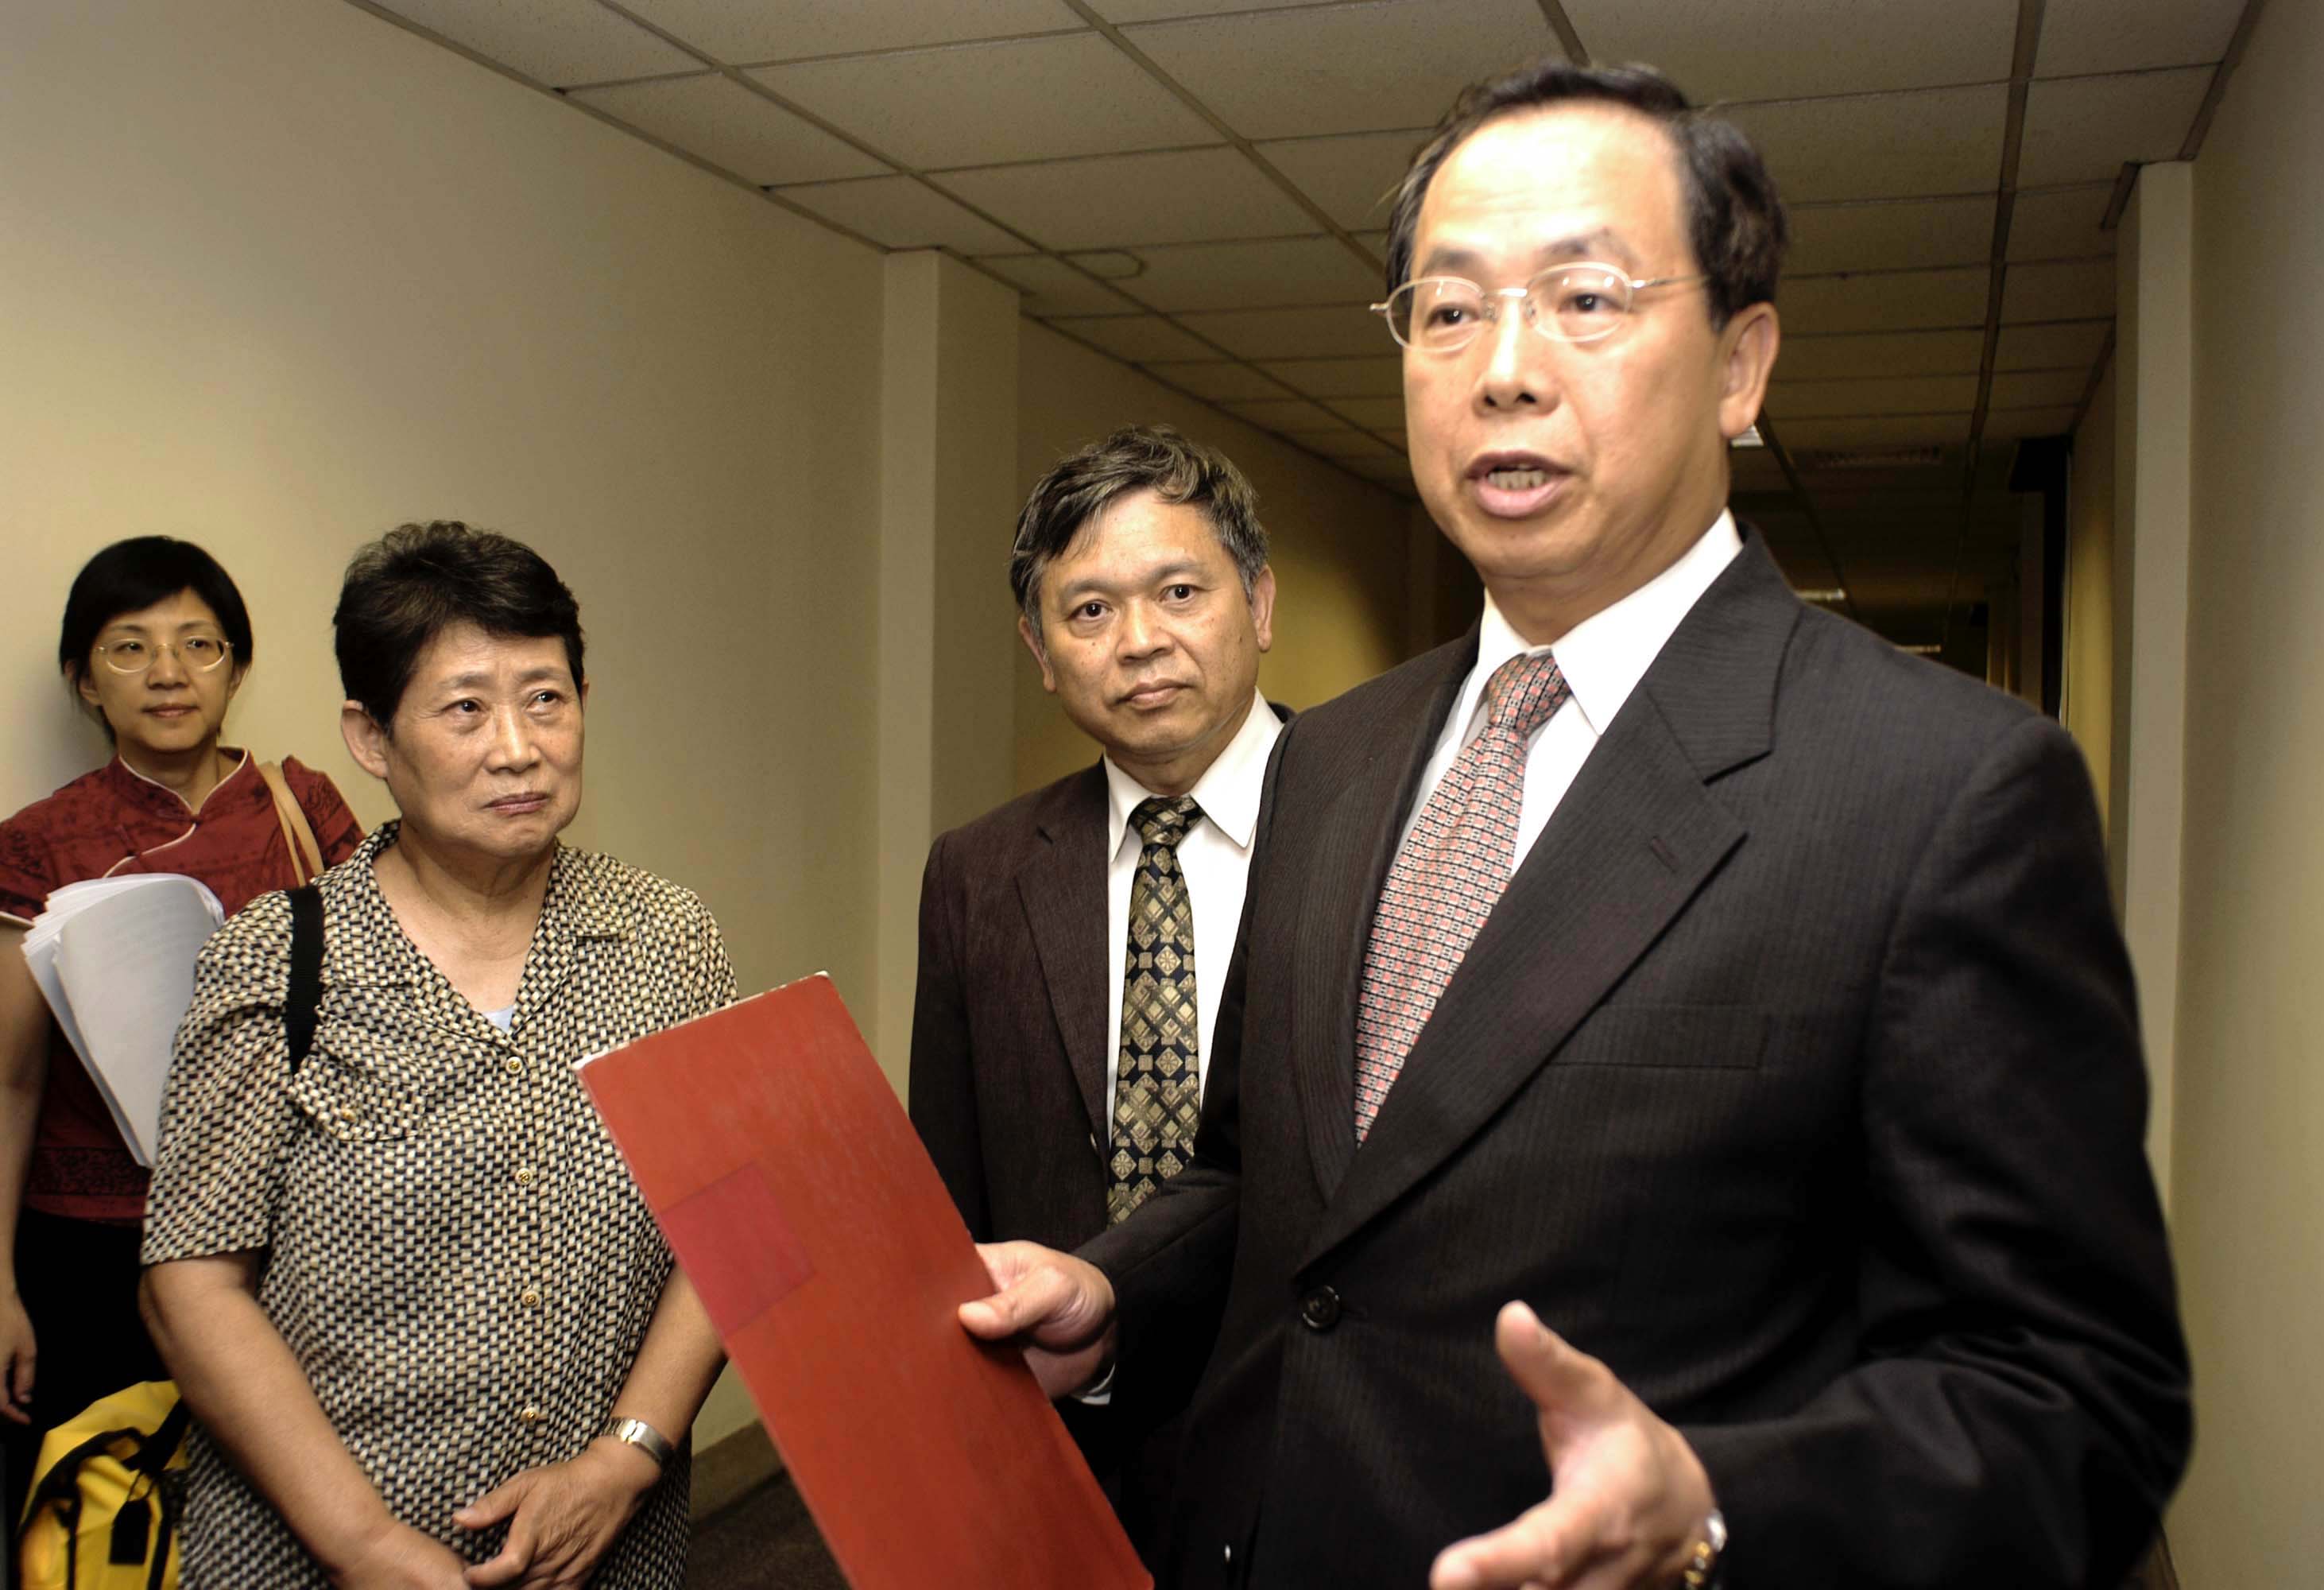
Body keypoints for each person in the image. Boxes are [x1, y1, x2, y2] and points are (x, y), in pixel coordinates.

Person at [961, 60, 2192, 1590]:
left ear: (1738, 366)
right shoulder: (1328, 758)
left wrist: (1718, 1509)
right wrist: (1113, 1296)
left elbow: (2074, 1400)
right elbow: (1262, 1182)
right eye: (1447, 310)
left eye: (1586, 299)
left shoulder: (1943, 790)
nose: (1502, 370)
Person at [138, 522, 732, 1588]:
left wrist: (626, 1456)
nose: (518, 748)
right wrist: (364, 1544)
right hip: (311, 1558)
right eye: (465, 708)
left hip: (604, 1550)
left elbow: (732, 1216)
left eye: (546, 698)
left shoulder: (665, 941)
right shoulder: (279, 959)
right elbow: (191, 1285)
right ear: (370, 737)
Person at [908, 425, 1283, 1558]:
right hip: (1065, 1440)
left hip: (1300, 1438)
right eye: (1088, 610)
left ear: (1259, 603)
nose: (1140, 642)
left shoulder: (1380, 829)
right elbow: (948, 1191)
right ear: (1040, 649)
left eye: (1179, 591)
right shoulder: (977, 872)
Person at [0, 537, 362, 1522]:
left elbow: (368, 1009)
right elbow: (12, 1078)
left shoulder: (302, 804)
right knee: (108, 1513)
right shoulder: (38, 842)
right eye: (130, 647)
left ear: (237, 667)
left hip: (283, 1221)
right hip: (94, 1247)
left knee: (283, 1504)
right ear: (85, 680)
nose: (168, 672)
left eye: (199, 643)